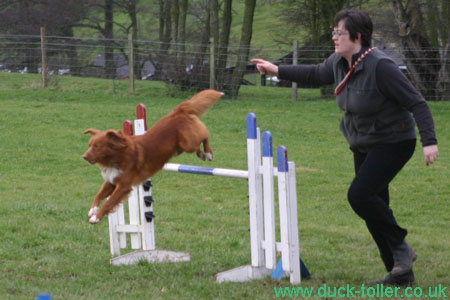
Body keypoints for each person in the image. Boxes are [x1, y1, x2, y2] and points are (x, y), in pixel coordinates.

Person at [252, 9, 439, 286]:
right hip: (363, 143)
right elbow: (315, 74)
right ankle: (400, 271)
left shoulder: (381, 66)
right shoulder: (339, 62)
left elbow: (417, 103)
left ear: (357, 36)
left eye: (339, 32)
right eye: (333, 32)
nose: (334, 37)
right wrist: (277, 69)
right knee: (377, 206)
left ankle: (401, 249)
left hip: (394, 141)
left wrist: (430, 142)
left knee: (360, 196)